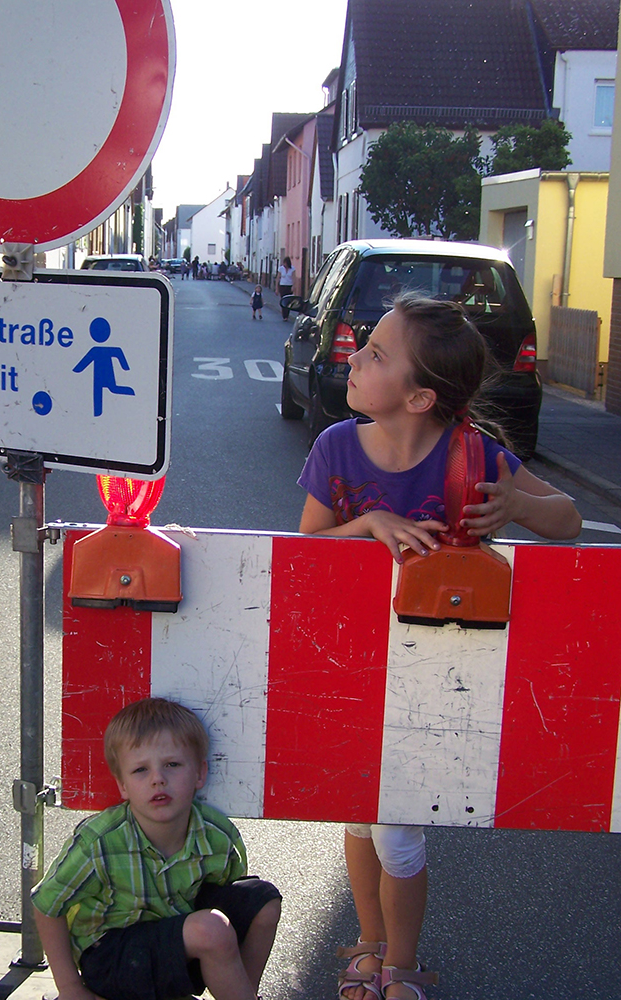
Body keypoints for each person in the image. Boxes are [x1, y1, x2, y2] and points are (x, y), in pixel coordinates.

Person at [297, 294, 581, 1000]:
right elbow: (302, 553)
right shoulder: (336, 446)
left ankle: (402, 965)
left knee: (397, 828)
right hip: (356, 664)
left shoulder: (476, 455)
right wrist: (368, 522)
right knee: (360, 816)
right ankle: (368, 943)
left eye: (377, 354)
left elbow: (570, 520)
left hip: (439, 677)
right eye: (363, 347)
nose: (355, 357)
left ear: (420, 397)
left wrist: (516, 507)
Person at [32, 697, 281, 1000]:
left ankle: (240, 992)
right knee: (211, 929)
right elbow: (46, 905)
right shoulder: (100, 842)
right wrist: (70, 988)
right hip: (113, 959)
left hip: (178, 944)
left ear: (200, 774)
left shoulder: (218, 835)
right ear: (122, 785)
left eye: (173, 765)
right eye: (140, 771)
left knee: (263, 901)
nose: (158, 780)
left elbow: (227, 893)